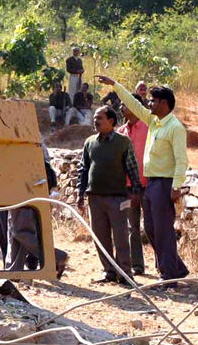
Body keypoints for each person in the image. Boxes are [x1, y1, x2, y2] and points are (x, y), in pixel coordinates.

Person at [97, 75, 188, 286]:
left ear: (163, 103)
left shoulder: (175, 127)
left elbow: (182, 160)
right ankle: (177, 268)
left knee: (163, 229)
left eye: (153, 101)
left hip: (164, 183)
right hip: (151, 183)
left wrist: (176, 186)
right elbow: (133, 105)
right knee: (150, 228)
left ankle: (168, 276)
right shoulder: (155, 121)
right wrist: (115, 86)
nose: (149, 103)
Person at [77, 106, 142, 284]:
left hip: (117, 197)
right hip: (95, 197)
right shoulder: (90, 142)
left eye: (100, 118)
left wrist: (136, 190)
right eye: (95, 118)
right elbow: (83, 169)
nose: (95, 121)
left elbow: (132, 167)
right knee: (100, 236)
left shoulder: (123, 142)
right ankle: (109, 271)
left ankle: (125, 274)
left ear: (111, 121)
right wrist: (80, 193)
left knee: (120, 236)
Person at [5, 142, 68, 278]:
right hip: (23, 190)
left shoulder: (25, 143)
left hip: (25, 191)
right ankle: (13, 271)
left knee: (20, 232)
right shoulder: (27, 140)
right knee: (16, 232)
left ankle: (56, 256)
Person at [117, 99, 149, 275]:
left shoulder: (149, 128)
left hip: (149, 185)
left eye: (125, 104)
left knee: (153, 227)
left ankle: (166, 267)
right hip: (128, 188)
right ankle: (137, 265)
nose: (121, 108)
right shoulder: (121, 133)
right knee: (132, 227)